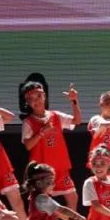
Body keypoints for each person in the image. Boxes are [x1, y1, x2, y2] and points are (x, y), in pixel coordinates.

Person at [21, 81, 82, 210]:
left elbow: (76, 121)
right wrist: (41, 132)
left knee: (72, 198)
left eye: (39, 96)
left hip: (60, 167)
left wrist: (74, 101)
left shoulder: (56, 116)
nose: (36, 101)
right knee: (41, 202)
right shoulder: (28, 122)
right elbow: (28, 146)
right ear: (27, 102)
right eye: (31, 98)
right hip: (42, 171)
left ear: (44, 96)